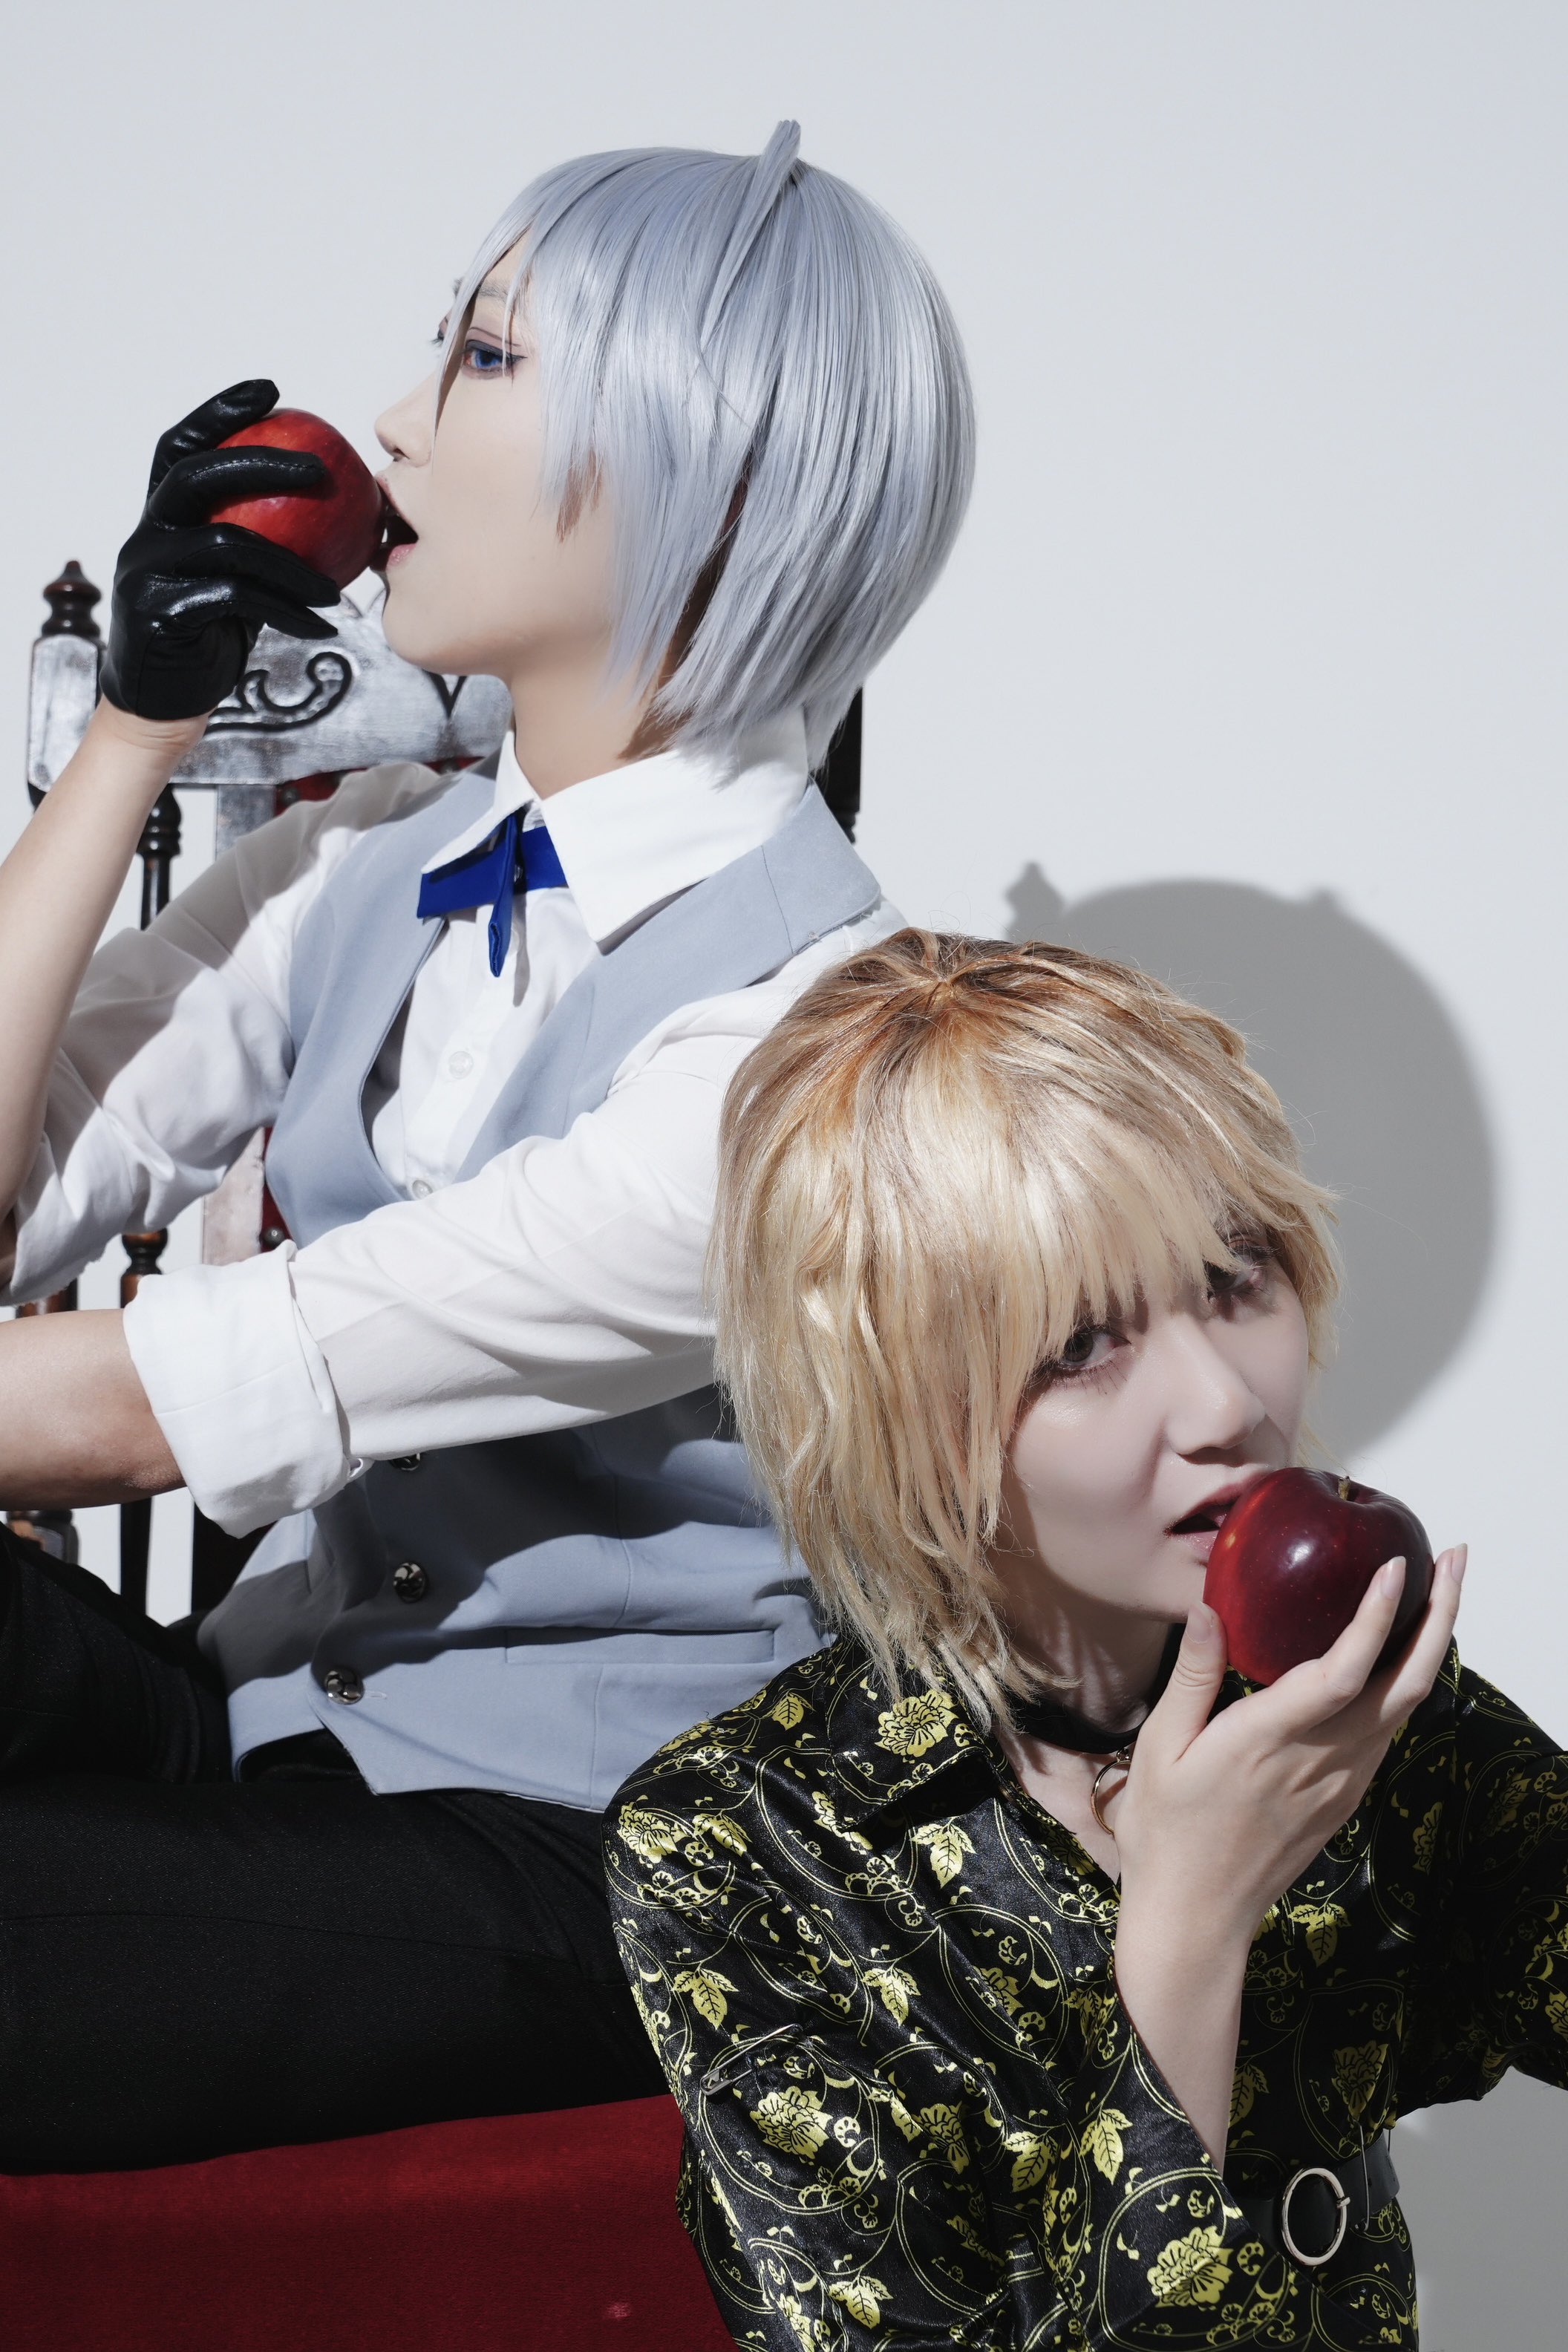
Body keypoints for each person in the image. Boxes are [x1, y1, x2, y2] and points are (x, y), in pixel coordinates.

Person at [0, 125, 973, 2169]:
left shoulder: (806, 1048)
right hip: (264, 1722)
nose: (391, 422)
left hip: (600, 1855)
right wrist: (131, 738)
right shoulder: (366, 857)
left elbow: (152, 1406)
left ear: (710, 471)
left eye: (487, 359)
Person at [606, 929, 1566, 2350]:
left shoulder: (1344, 1704)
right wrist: (1189, 1924)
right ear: (897, 1409)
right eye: (1080, 1345)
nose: (1225, 1402)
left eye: (1236, 1277)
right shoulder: (743, 1844)